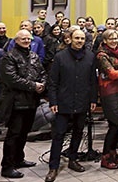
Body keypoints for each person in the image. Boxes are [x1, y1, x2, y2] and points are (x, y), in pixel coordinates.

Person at [46, 28, 97, 182]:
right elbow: (53, 81)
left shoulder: (90, 56)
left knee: (78, 132)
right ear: (70, 39)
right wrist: (53, 101)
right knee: (59, 134)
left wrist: (93, 99)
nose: (80, 41)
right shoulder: (60, 57)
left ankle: (73, 159)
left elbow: (93, 81)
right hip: (64, 101)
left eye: (82, 38)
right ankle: (53, 166)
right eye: (77, 38)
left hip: (82, 101)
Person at [0, 29, 47, 178]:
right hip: (16, 102)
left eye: (29, 39)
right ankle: (7, 166)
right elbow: (11, 79)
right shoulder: (9, 57)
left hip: (31, 101)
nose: (26, 41)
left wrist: (43, 84)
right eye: (23, 39)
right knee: (14, 134)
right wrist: (34, 85)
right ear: (16, 41)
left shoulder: (33, 56)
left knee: (24, 133)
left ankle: (19, 159)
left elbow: (42, 73)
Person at [95, 28, 118, 169]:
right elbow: (112, 74)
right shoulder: (101, 55)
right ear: (105, 41)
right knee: (114, 125)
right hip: (109, 93)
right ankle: (105, 158)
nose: (114, 41)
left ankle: (114, 154)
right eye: (111, 38)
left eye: (115, 38)